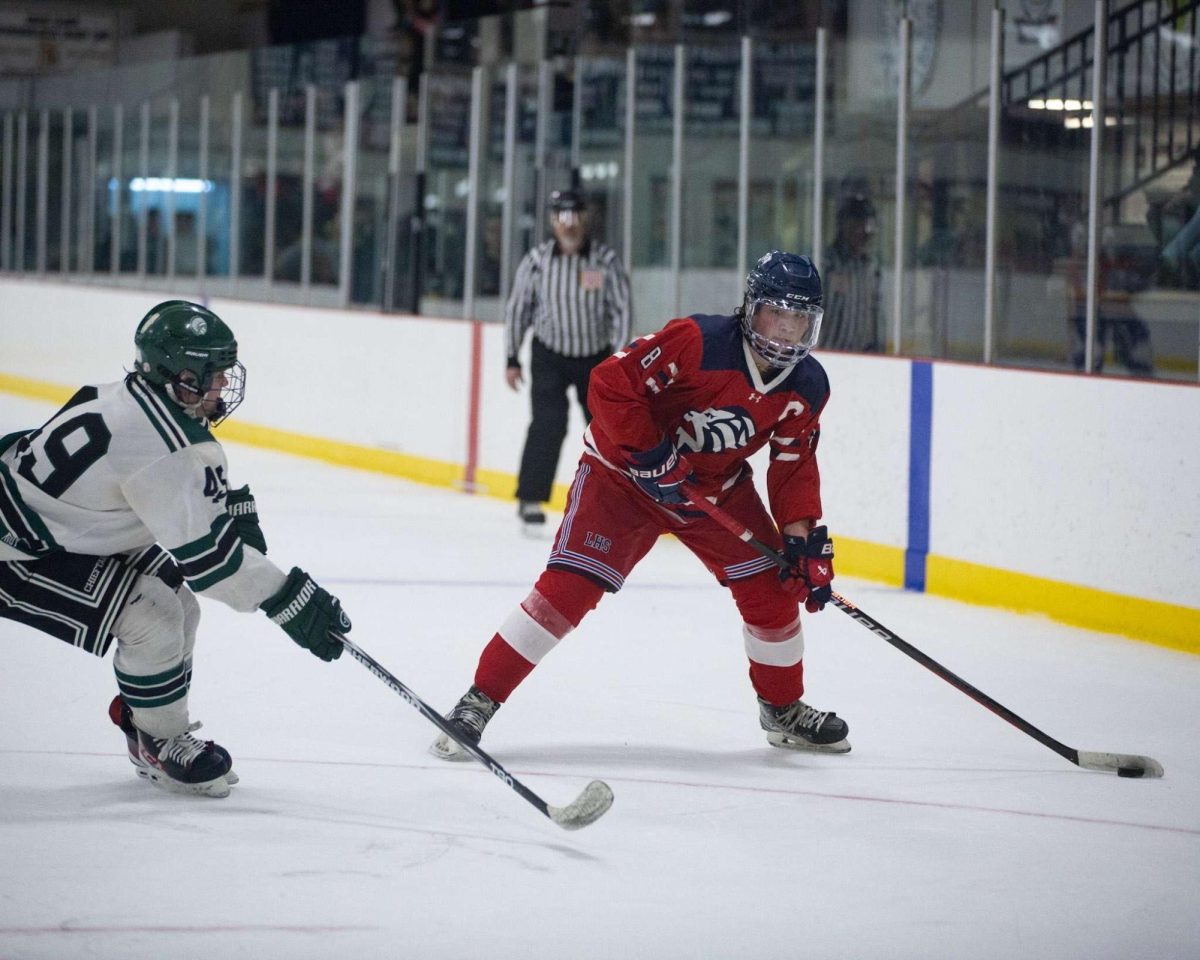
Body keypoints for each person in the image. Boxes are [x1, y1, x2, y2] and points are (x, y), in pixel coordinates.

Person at [432, 251, 849, 760]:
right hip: (621, 478)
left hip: (711, 489)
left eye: (799, 320)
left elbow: (794, 466)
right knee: (569, 589)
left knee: (771, 586)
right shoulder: (699, 342)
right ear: (750, 308)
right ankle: (478, 700)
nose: (786, 333)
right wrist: (651, 455)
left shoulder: (807, 385)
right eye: (776, 315)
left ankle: (783, 711)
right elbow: (610, 384)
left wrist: (802, 541)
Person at [0, 300, 352, 798]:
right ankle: (162, 744)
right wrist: (291, 600)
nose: (223, 387)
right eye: (212, 376)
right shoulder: (160, 443)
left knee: (177, 601)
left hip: (56, 527)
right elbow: (215, 567)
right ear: (178, 375)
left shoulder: (134, 398)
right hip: (16, 549)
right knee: (153, 617)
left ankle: (149, 723)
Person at [505, 188, 632, 534]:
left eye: (575, 216)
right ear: (552, 221)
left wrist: (620, 359)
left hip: (595, 358)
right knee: (547, 424)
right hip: (549, 353)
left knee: (606, 430)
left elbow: (621, 311)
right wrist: (512, 356)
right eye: (562, 217)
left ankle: (620, 499)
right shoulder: (536, 261)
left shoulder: (605, 261)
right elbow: (519, 308)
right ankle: (530, 499)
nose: (569, 225)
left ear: (586, 219)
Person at [821, 194, 882, 352]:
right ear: (842, 226)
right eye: (855, 224)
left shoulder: (869, 267)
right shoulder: (827, 263)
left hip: (861, 356)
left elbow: (874, 313)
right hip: (828, 353)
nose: (861, 231)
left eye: (865, 225)